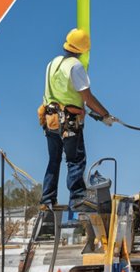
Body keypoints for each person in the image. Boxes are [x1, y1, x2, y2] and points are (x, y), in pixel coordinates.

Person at [39, 28, 116, 211]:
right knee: (75, 159)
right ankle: (77, 199)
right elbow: (87, 98)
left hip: (51, 120)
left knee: (54, 160)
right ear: (83, 49)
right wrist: (105, 114)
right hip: (68, 122)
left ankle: (47, 199)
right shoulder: (75, 66)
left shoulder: (52, 63)